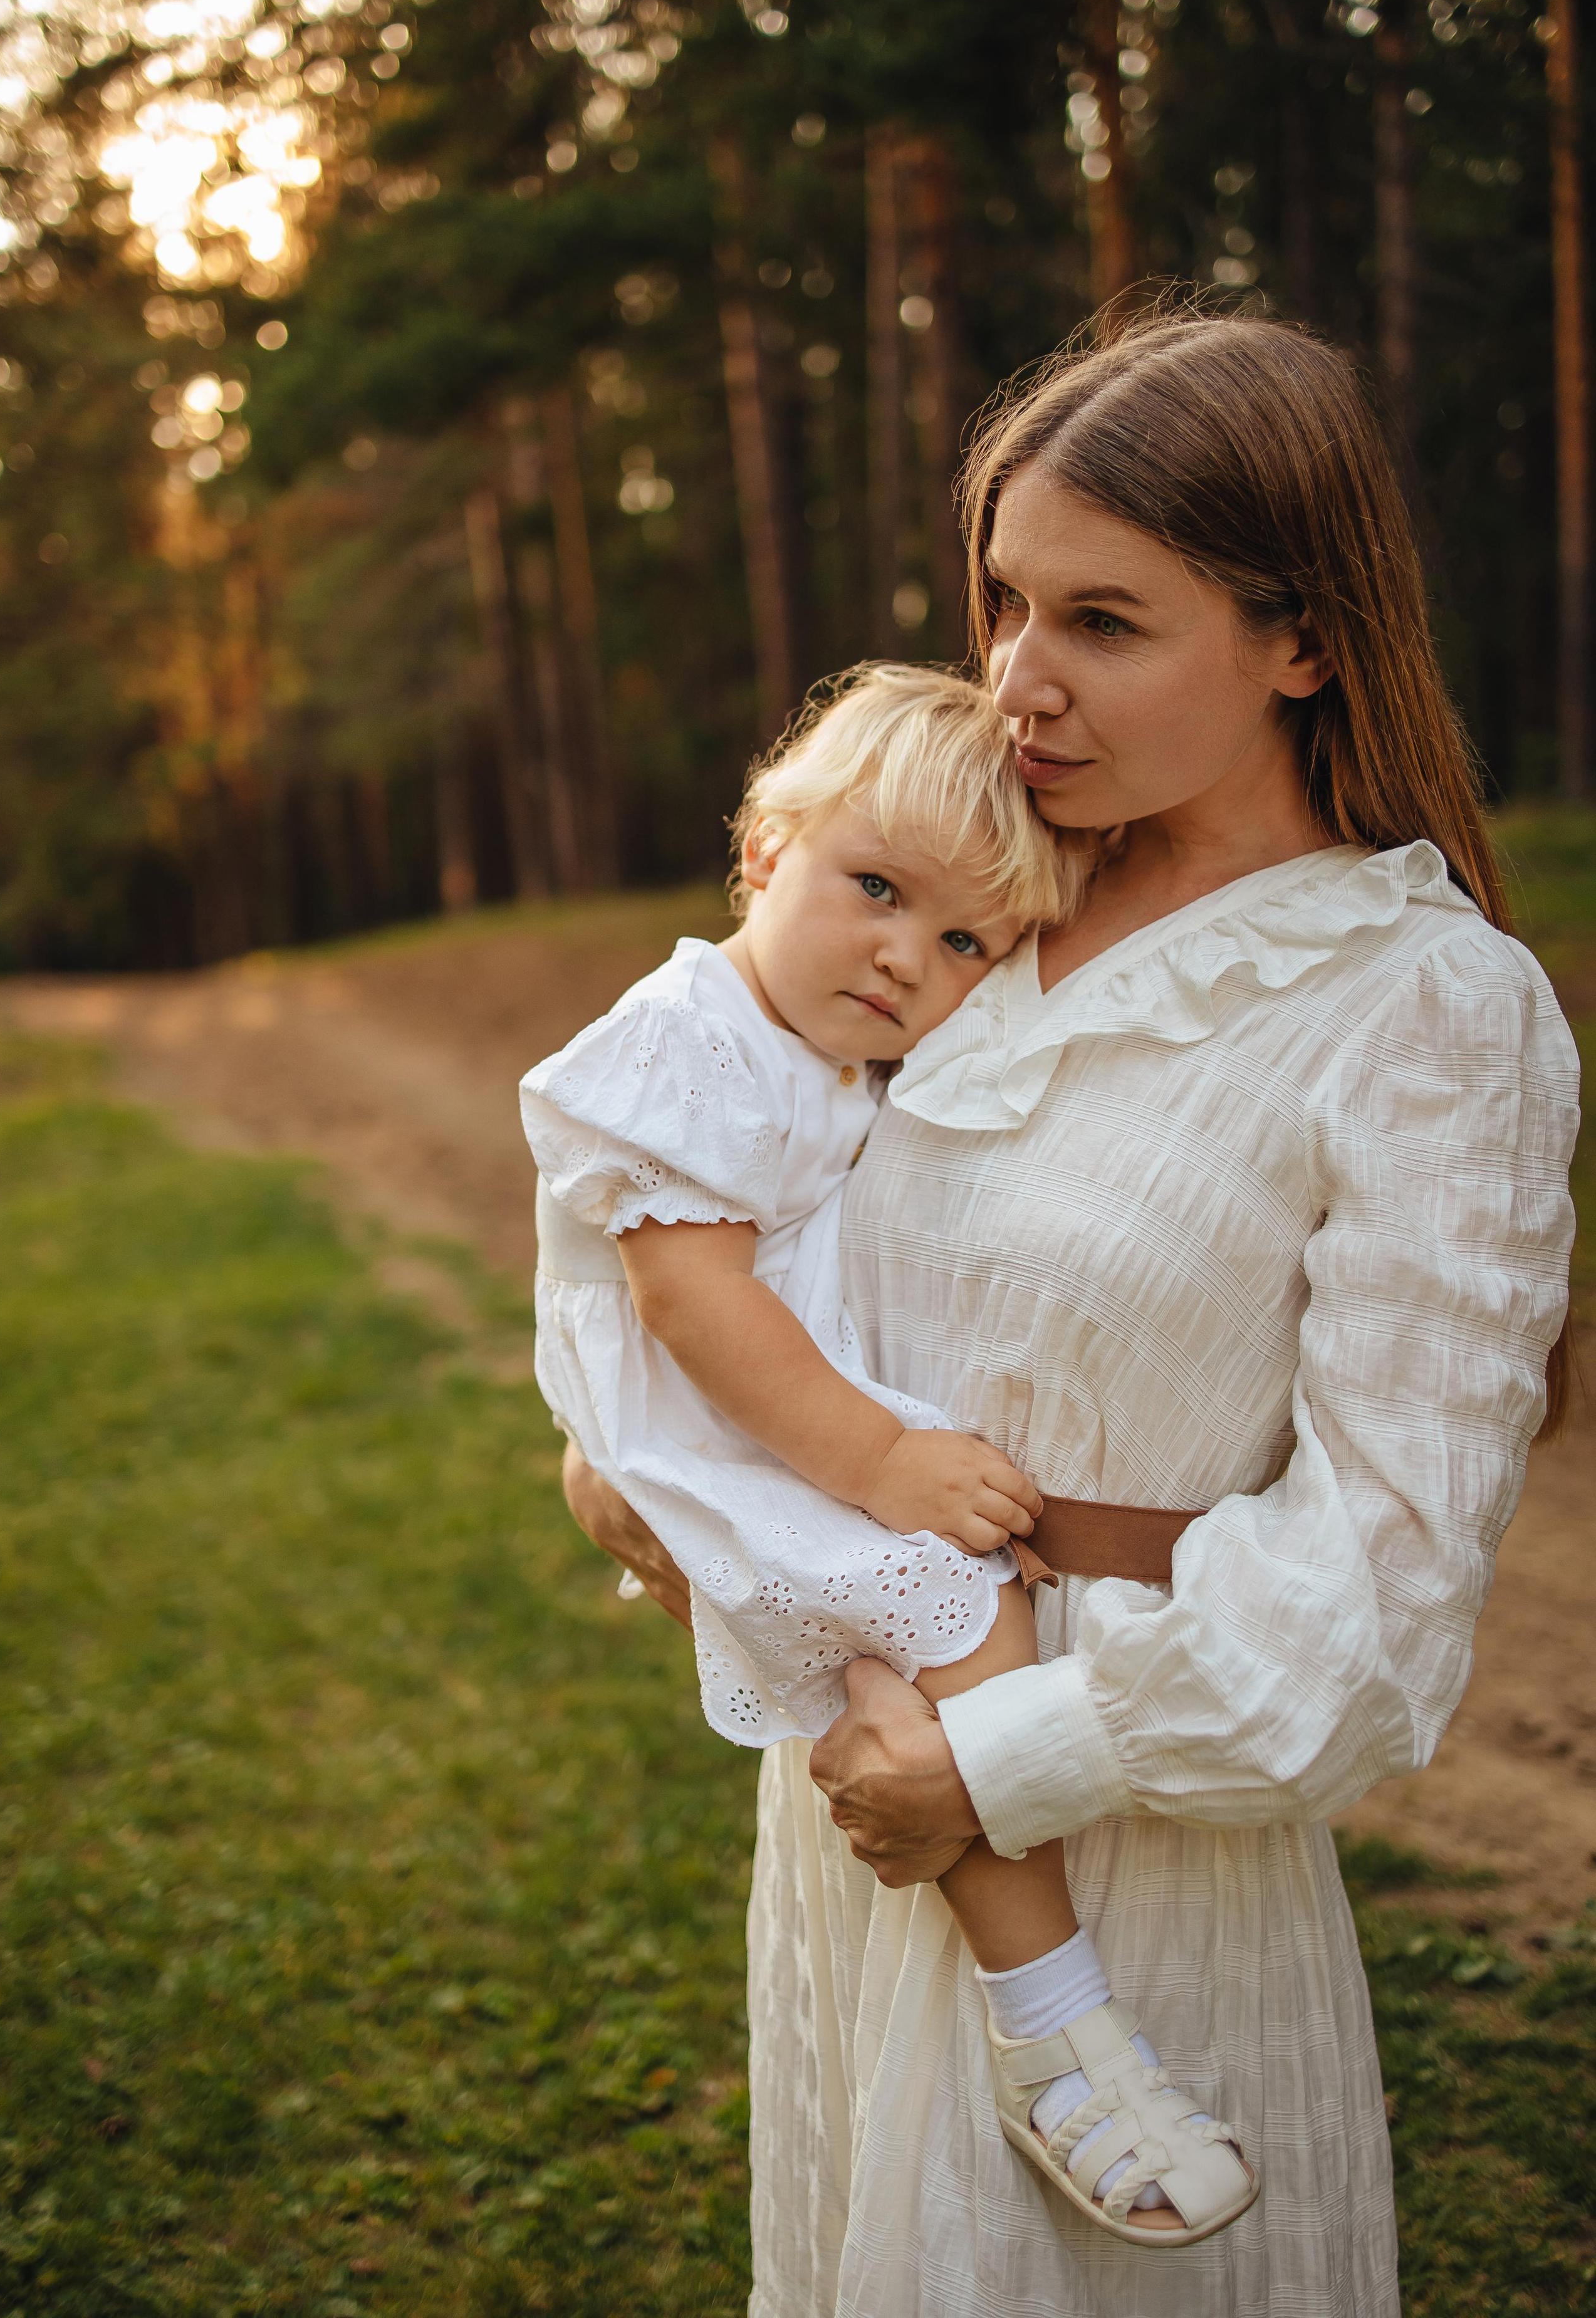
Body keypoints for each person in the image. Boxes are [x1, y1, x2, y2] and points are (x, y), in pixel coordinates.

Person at [563, 306, 1580, 2318]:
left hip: (1129, 1847)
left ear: (1304, 643)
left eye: (1105, 622)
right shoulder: (967, 904)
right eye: (1007, 601)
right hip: (857, 1810)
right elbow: (737, 1229)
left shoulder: (1425, 1007)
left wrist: (1000, 1764)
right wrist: (645, 1482)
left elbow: (1385, 1595)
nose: (1021, 678)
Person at [521, 663, 1257, 2245]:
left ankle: (1051, 2025)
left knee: (928, 1657)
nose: (905, 956)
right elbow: (690, 1299)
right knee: (958, 1615)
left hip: (763, 1428)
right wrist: (882, 1464)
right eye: (875, 889)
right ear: (763, 849)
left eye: (964, 943)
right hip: (728, 1437)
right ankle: (1054, 2030)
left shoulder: (811, 1056)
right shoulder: (688, 1040)